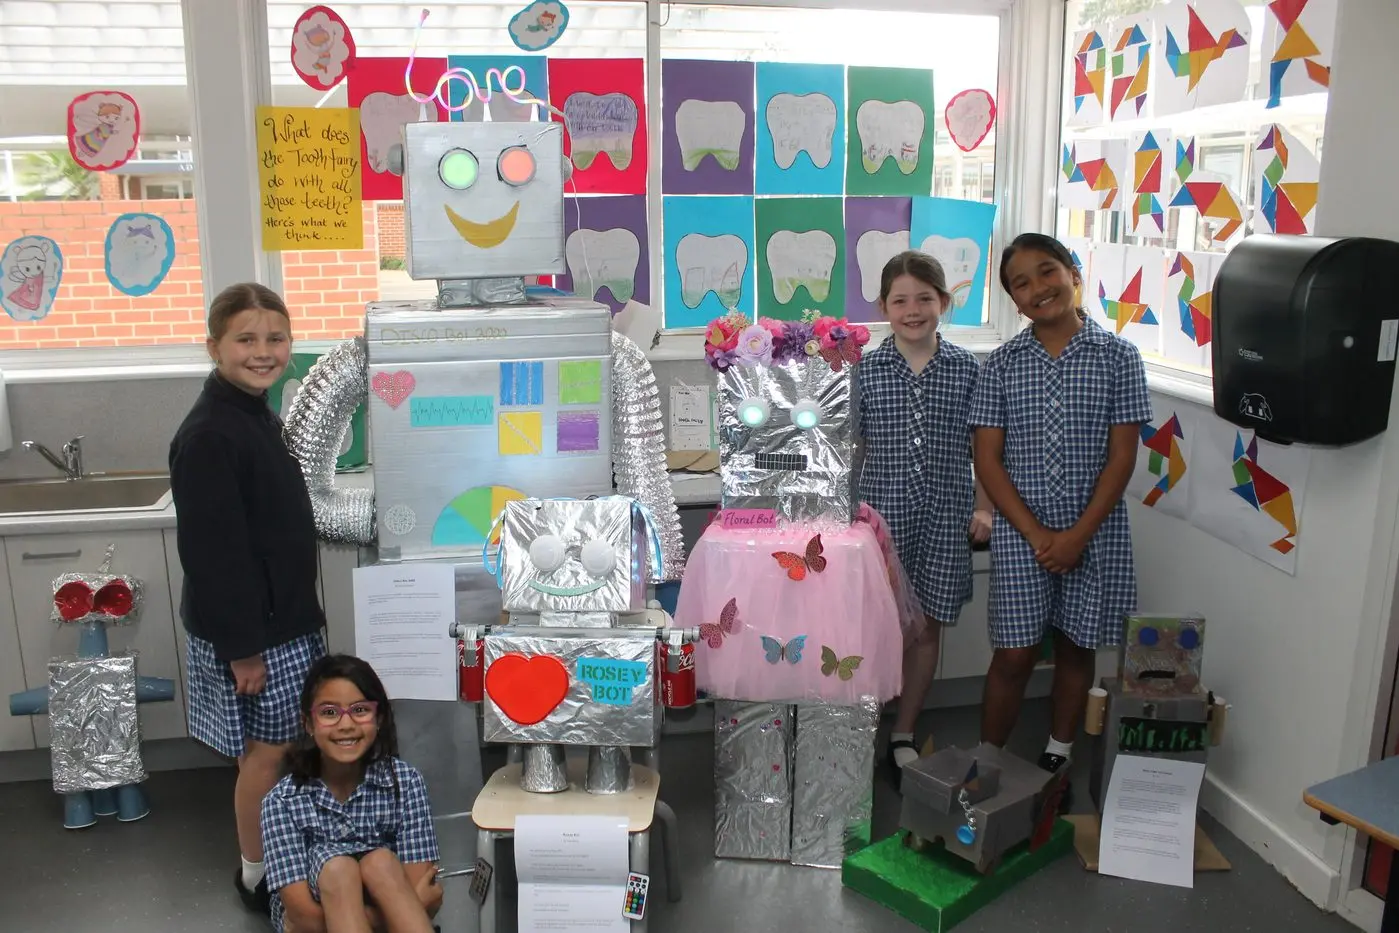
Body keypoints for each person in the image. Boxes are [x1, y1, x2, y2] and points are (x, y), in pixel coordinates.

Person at [969, 233, 1151, 802]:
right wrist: (1037, 534)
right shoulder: (1000, 365)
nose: (1037, 288)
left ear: (1073, 272)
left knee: (1076, 645)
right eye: (1020, 284)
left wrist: (1076, 536)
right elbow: (988, 459)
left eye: (1046, 272)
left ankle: (1058, 753)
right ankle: (986, 760)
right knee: (1016, 653)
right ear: (1015, 303)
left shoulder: (1119, 356)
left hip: (1094, 533)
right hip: (1025, 535)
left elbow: (1123, 456)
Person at [170, 282, 327, 913]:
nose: (263, 352)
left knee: (283, 748)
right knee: (264, 756)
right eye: (246, 339)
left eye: (275, 338)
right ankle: (256, 875)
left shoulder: (251, 412)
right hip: (255, 634)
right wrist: (243, 651)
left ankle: (279, 855)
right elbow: (215, 556)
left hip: (280, 622)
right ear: (214, 346)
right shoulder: (210, 434)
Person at [857, 250, 993, 787]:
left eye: (924, 298)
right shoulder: (865, 369)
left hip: (945, 517)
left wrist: (984, 507)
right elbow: (850, 448)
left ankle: (903, 733)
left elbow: (984, 449)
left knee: (927, 627)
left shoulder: (966, 369)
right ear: (883, 307)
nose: (912, 310)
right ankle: (860, 726)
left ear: (944, 301)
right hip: (879, 523)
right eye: (900, 300)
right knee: (875, 627)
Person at [261, 654, 442, 933]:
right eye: (329, 713)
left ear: (378, 717)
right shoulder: (281, 802)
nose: (346, 725)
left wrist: (411, 904)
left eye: (360, 710)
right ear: (308, 723)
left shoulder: (405, 782)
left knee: (380, 863)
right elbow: (303, 919)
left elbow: (419, 887)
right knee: (338, 870)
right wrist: (401, 910)